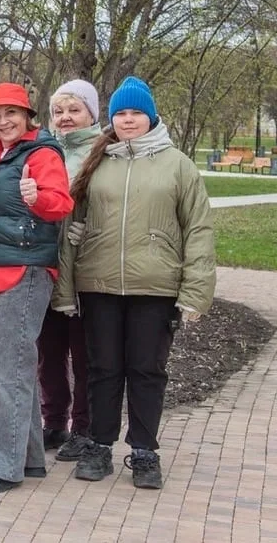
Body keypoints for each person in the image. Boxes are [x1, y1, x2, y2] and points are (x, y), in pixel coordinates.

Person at [55, 76, 215, 490]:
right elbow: (75, 226)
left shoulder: (178, 165)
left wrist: (195, 290)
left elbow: (198, 229)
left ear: (151, 116)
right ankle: (99, 446)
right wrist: (66, 290)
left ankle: (144, 452)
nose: (128, 120)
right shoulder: (98, 159)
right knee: (103, 369)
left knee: (147, 370)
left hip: (155, 287)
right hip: (100, 284)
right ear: (112, 118)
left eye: (135, 113)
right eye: (121, 113)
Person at [0, 82, 73, 493]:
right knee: (10, 367)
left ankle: (0, 466)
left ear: (28, 117)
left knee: (3, 371)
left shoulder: (41, 154)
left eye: (11, 113)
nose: (3, 121)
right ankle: (26, 458)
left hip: (24, 271)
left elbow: (59, 204)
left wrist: (36, 197)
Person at [39, 79, 102, 462]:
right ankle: (54, 421)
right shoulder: (45, 148)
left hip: (85, 266)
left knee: (85, 352)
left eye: (74, 110)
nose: (65, 118)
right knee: (48, 349)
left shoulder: (103, 151)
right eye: (59, 111)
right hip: (46, 262)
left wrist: (88, 227)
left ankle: (85, 426)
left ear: (91, 114)